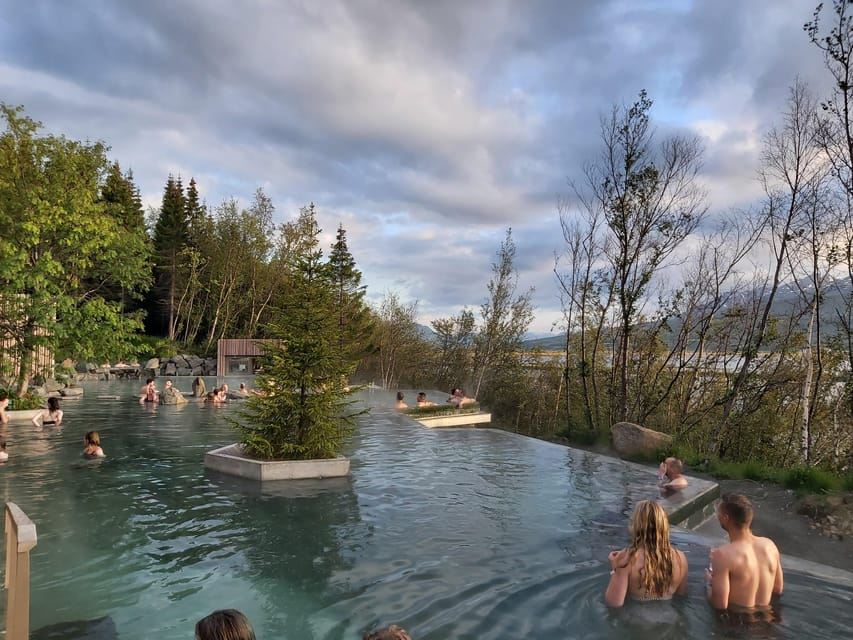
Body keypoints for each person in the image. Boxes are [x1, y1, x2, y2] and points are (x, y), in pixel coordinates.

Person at [706, 493, 783, 611]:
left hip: (736, 623)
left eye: (718, 514)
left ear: (725, 518)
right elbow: (778, 589)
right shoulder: (770, 546)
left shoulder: (722, 555)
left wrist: (710, 584)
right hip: (767, 620)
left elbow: (720, 605)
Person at [604, 500, 688, 607]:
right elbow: (681, 596)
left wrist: (615, 568)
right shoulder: (681, 558)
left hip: (636, 619)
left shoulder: (626, 559)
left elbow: (613, 603)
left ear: (636, 525)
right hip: (670, 617)